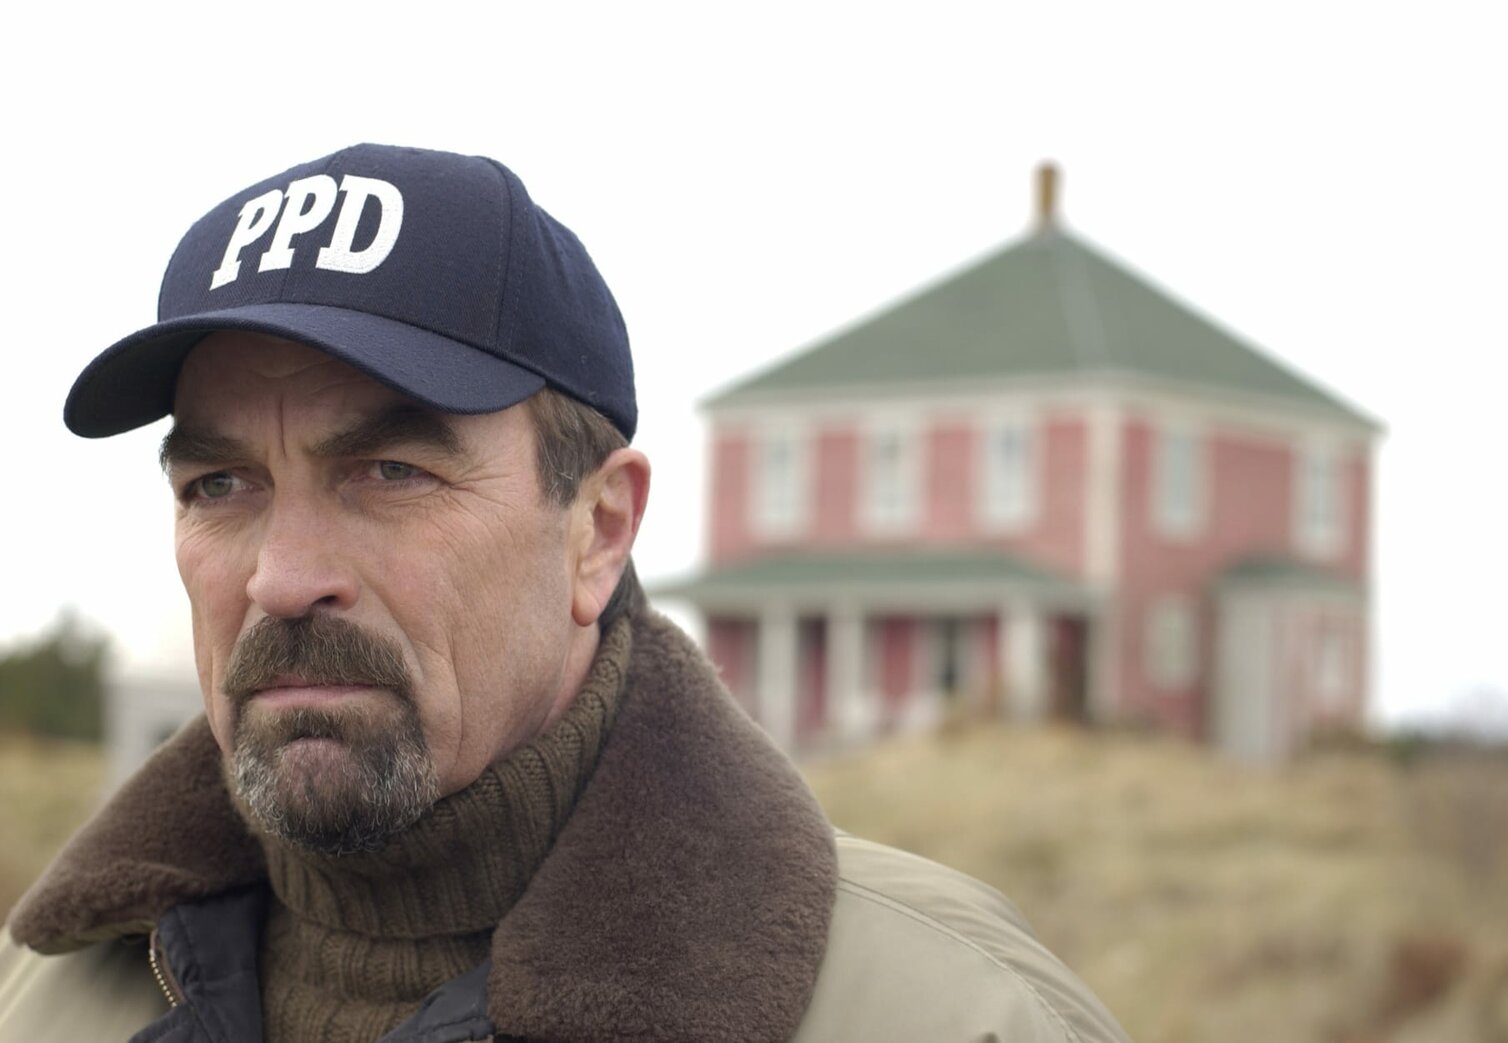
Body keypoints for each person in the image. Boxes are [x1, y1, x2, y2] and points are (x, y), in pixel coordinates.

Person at [0, 144, 1129, 1043]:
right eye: (219, 484)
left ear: (600, 531)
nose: (282, 577)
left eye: (390, 471)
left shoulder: (954, 1015)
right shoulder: (42, 994)